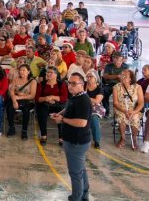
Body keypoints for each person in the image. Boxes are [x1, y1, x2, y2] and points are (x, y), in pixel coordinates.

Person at [50, 72, 91, 201]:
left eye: (74, 83)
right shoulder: (75, 96)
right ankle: (84, 195)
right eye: (69, 82)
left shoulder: (83, 100)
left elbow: (82, 122)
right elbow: (68, 108)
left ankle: (76, 197)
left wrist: (63, 120)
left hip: (77, 142)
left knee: (75, 173)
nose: (70, 86)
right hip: (73, 140)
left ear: (82, 85)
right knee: (80, 170)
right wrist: (59, 113)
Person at [36, 67, 68, 145]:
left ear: (56, 75)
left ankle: (61, 137)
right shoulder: (42, 84)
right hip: (44, 104)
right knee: (41, 113)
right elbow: (37, 98)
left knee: (61, 114)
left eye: (51, 72)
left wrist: (53, 97)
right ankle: (44, 135)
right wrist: (46, 98)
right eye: (47, 72)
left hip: (58, 105)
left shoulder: (61, 84)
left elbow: (64, 98)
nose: (48, 74)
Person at [6, 64, 36, 139]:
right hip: (15, 98)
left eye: (24, 70)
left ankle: (24, 131)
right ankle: (11, 128)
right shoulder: (16, 79)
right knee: (10, 108)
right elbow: (12, 91)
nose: (21, 72)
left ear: (28, 71)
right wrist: (14, 101)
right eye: (20, 70)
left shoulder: (33, 81)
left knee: (26, 111)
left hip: (27, 101)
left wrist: (19, 97)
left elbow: (32, 95)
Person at [100, 52, 129, 117]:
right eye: (114, 58)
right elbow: (105, 76)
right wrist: (117, 76)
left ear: (121, 60)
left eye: (117, 58)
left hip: (121, 85)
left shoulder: (125, 67)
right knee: (103, 91)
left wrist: (112, 76)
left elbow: (125, 78)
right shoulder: (109, 66)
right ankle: (106, 111)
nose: (115, 59)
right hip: (111, 84)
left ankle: (120, 112)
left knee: (123, 95)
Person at [84, 70, 104, 149]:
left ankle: (96, 140)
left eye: (91, 76)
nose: (88, 78)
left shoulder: (99, 89)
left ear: (96, 78)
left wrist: (85, 97)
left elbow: (97, 101)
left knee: (94, 118)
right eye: (87, 76)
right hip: (83, 105)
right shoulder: (83, 85)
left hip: (95, 108)